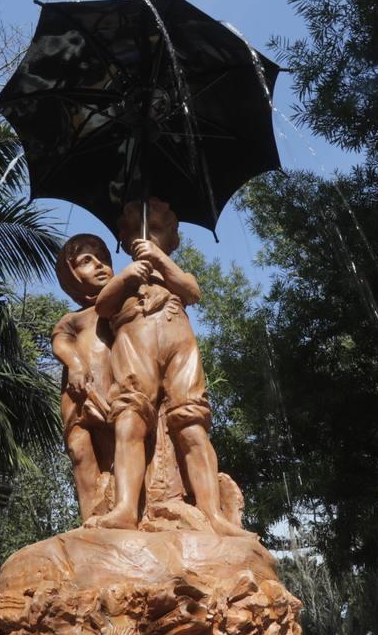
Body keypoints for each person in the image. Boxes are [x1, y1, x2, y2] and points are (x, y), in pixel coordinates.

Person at [86, 197, 242, 535]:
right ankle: (126, 508)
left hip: (179, 345)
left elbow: (193, 291)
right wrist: (127, 277)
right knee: (130, 417)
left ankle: (211, 512)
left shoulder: (173, 275)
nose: (148, 238)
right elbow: (103, 306)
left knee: (192, 422)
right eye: (141, 232)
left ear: (172, 239)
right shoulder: (127, 277)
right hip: (135, 343)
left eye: (157, 231)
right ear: (125, 238)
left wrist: (159, 261)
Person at [51, 233, 117, 520]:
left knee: (116, 454)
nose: (100, 265)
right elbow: (61, 343)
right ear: (72, 275)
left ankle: (117, 510)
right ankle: (90, 516)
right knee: (81, 451)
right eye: (87, 261)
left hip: (113, 394)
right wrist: (76, 365)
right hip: (77, 395)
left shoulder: (119, 311)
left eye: (103, 258)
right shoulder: (73, 318)